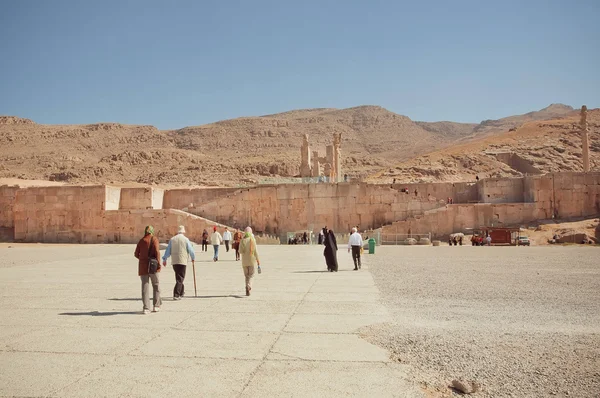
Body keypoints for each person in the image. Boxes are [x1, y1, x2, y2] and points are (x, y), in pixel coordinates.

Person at [162, 225, 196, 300]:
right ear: (183, 232)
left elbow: (168, 250)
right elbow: (191, 250)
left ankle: (181, 292)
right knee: (180, 278)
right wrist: (193, 258)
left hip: (174, 261)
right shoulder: (186, 239)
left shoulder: (172, 239)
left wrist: (165, 259)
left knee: (179, 277)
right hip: (182, 260)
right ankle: (176, 294)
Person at [134, 225, 162, 314]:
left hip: (143, 267)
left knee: (145, 287)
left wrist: (142, 259)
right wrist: (158, 263)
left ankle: (146, 308)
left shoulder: (141, 240)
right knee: (156, 285)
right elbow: (157, 252)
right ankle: (156, 306)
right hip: (153, 266)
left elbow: (136, 254)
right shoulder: (154, 239)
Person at [239, 226, 260, 296]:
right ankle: (249, 286)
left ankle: (247, 290)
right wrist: (258, 260)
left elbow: (240, 251)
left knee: (246, 276)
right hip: (251, 261)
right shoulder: (252, 240)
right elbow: (256, 251)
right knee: (251, 275)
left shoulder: (242, 240)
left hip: (244, 262)